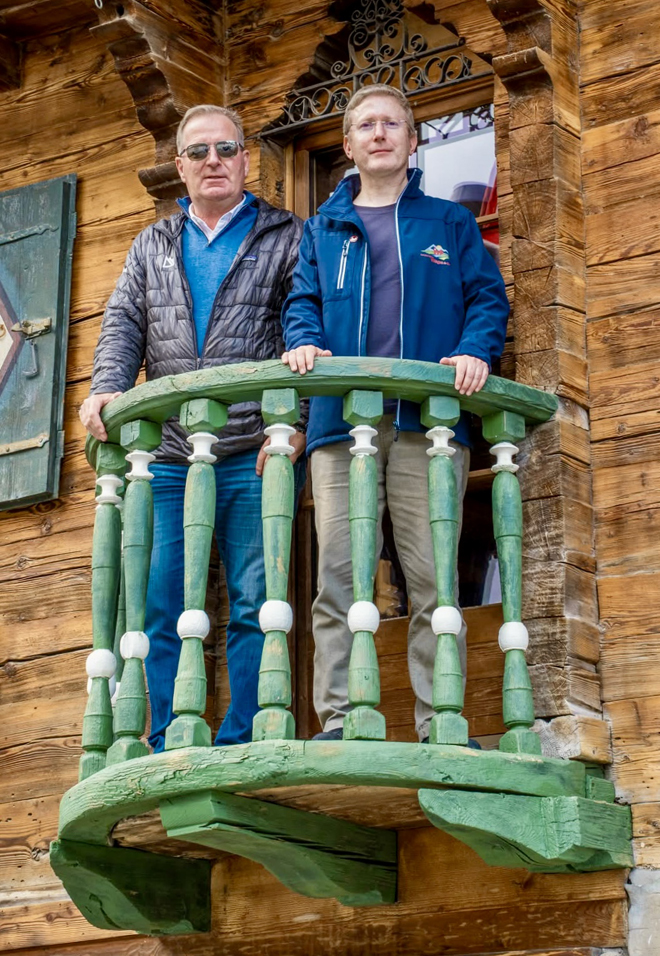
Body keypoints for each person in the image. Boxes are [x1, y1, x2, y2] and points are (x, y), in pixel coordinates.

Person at [282, 85, 509, 742]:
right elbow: (301, 303)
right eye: (365, 126)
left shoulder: (450, 223)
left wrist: (474, 350)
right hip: (338, 426)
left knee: (433, 577)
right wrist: (303, 340)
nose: (378, 134)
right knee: (338, 577)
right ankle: (342, 719)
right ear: (348, 145)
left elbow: (486, 300)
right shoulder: (321, 230)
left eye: (391, 124)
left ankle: (442, 721)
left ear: (412, 141)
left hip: (427, 424)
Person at [80, 104, 304, 751]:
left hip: (254, 449)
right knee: (158, 601)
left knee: (256, 598)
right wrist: (106, 385)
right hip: (171, 456)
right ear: (179, 166)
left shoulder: (286, 235)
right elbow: (123, 323)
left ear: (245, 160)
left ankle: (242, 738)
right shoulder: (152, 244)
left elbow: (305, 332)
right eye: (199, 151)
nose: (214, 161)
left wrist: (294, 425)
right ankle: (167, 739)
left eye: (226, 149)